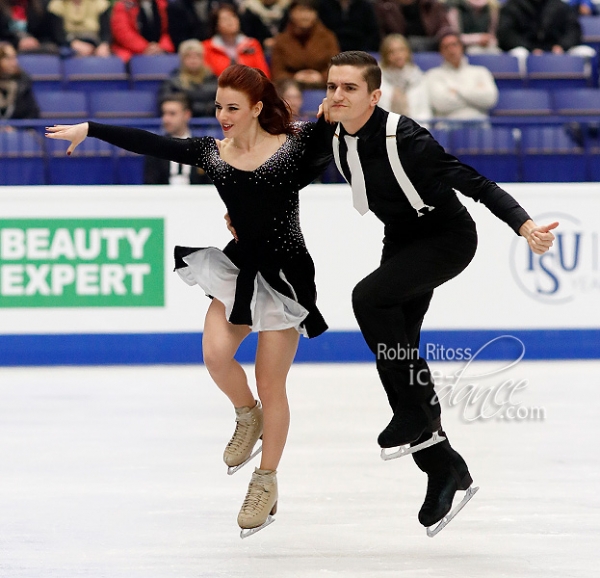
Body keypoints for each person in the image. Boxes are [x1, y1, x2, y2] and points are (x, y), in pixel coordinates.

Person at [44, 64, 332, 537]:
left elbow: (338, 136)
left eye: (232, 108)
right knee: (216, 355)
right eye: (218, 106)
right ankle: (247, 414)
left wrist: (332, 112)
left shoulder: (293, 146)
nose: (222, 115)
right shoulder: (213, 154)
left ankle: (266, 480)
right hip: (239, 268)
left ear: (257, 109)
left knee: (271, 380)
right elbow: (153, 143)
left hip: (285, 277)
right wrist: (92, 128)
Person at [320, 51, 557, 531]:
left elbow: (474, 182)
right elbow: (284, 169)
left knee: (368, 300)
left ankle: (419, 419)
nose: (336, 96)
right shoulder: (330, 132)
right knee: (396, 350)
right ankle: (444, 468)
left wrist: (524, 225)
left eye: (348, 88)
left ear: (374, 95)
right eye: (331, 87)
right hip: (401, 239)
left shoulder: (406, 137)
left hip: (447, 239)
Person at [425, 31, 498, 120]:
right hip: (448, 128)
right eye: (446, 47)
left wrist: (456, 91)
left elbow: (490, 99)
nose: (451, 50)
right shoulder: (433, 75)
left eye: (454, 45)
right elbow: (441, 104)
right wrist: (474, 94)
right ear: (441, 52)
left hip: (479, 126)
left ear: (461, 47)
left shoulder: (481, 72)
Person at [143, 93, 212, 184]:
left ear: (187, 115)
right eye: (164, 113)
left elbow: (210, 186)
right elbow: (150, 184)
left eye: (172, 114)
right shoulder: (155, 148)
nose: (166, 119)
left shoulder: (203, 148)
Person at [270, 0, 339, 89]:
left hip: (322, 87)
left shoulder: (328, 37)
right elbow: (277, 72)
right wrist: (295, 77)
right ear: (291, 13)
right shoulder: (281, 40)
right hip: (289, 88)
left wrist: (320, 77)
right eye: (300, 11)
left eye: (309, 11)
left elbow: (336, 67)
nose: (305, 16)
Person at [203, 4, 270, 77]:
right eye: (225, 19)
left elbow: (263, 73)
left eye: (233, 16)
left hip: (251, 86)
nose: (230, 21)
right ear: (216, 26)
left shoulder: (252, 44)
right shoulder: (207, 47)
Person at [158, 39, 218, 118]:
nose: (193, 59)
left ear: (202, 58)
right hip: (182, 122)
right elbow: (166, 102)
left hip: (211, 123)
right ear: (182, 59)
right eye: (188, 56)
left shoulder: (213, 80)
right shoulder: (173, 82)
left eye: (197, 55)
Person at [378, 33, 431, 123]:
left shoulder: (419, 78)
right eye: (392, 52)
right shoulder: (378, 80)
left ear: (408, 52)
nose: (398, 56)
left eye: (401, 50)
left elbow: (424, 112)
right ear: (385, 55)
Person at [497, 0, 583, 55]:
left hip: (556, 51)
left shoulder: (560, 6)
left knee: (584, 52)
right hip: (525, 51)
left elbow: (574, 30)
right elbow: (506, 33)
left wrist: (562, 46)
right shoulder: (513, 6)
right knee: (519, 53)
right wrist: (530, 48)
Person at [373, 0, 451, 53]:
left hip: (431, 47)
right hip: (397, 49)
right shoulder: (383, 7)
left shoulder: (432, 5)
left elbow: (444, 29)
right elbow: (379, 34)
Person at [110, 0, 174, 63]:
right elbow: (123, 33)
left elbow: (169, 30)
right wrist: (145, 48)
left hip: (161, 51)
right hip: (132, 54)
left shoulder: (163, 5)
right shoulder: (123, 6)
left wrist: (161, 47)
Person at [47, 0, 112, 57]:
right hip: (66, 44)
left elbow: (106, 32)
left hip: (95, 44)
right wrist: (74, 44)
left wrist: (104, 45)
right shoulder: (57, 4)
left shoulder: (100, 3)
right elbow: (57, 35)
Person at [0, 40, 39, 120]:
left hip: (18, 130)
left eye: (14, 57)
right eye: (8, 58)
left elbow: (32, 113)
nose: (14, 63)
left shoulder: (23, 82)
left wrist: (17, 128)